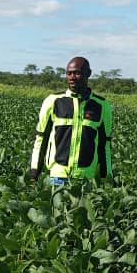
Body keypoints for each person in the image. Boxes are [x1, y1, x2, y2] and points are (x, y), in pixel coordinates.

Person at [28, 56, 113, 184]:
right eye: (69, 73)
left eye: (77, 73)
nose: (72, 77)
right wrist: (34, 174)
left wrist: (107, 178)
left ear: (88, 74)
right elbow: (41, 139)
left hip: (86, 178)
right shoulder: (53, 101)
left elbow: (104, 145)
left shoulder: (102, 105)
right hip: (58, 176)